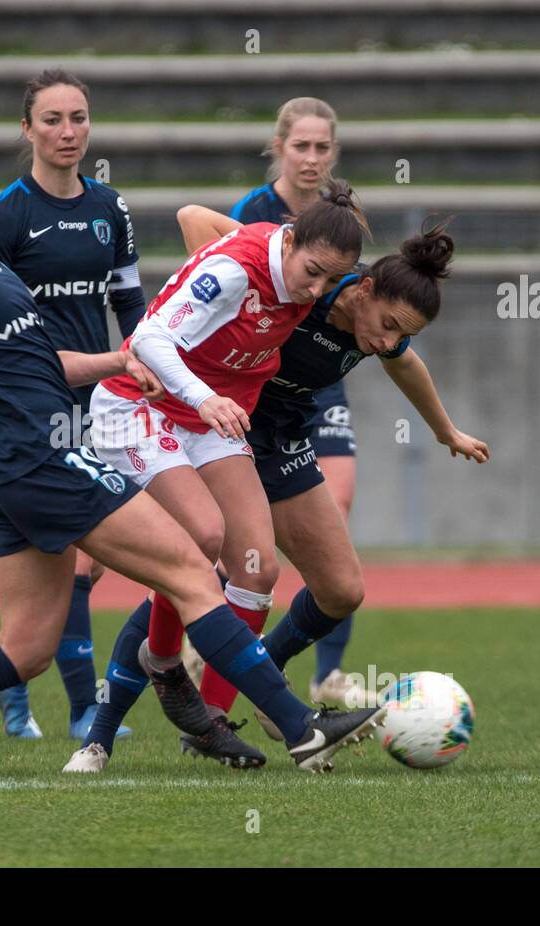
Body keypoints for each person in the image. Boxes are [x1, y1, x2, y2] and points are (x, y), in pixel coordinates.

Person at [0, 111, 377, 781]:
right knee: (190, 564)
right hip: (41, 461)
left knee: (24, 649)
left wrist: (121, 361)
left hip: (17, 471)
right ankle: (299, 728)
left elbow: (46, 366)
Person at [64, 180, 384, 773]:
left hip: (210, 417)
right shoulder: (237, 269)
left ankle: (208, 723)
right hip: (144, 404)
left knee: (259, 567)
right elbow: (153, 339)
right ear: (289, 240)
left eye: (326, 281)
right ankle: (164, 669)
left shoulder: (310, 275)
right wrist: (205, 397)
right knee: (205, 541)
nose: (314, 291)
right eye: (310, 272)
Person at [172, 205, 490, 752]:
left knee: (342, 591)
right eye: (388, 327)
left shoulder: (383, 333)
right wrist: (218, 296)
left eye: (402, 335)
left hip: (288, 441)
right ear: (363, 289)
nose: (389, 342)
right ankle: (157, 720)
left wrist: (445, 431)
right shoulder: (312, 284)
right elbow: (197, 220)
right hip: (229, 430)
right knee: (219, 570)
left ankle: (262, 669)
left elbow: (404, 364)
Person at [0, 69, 146, 742]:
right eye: (52, 119)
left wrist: (141, 363)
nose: (68, 131)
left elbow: (129, 303)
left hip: (101, 396)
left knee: (76, 563)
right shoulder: (8, 214)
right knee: (76, 557)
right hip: (33, 402)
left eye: (78, 117)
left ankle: (12, 678)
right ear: (27, 130)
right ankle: (84, 708)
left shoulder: (110, 207)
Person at [227, 95, 374, 705]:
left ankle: (327, 672)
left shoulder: (343, 216)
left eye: (322, 148)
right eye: (300, 146)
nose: (311, 158)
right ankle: (218, 621)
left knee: (334, 509)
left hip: (320, 381)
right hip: (260, 378)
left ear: (333, 153)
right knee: (242, 540)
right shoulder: (254, 212)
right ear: (279, 148)